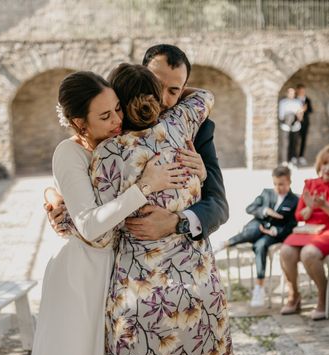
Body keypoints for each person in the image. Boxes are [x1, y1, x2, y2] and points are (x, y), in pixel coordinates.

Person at [0, 71, 189, 355]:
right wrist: (144, 186)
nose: (117, 119)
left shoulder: (120, 145)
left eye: (117, 109)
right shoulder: (70, 153)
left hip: (113, 278)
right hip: (79, 279)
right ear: (79, 123)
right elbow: (88, 224)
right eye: (105, 116)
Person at [91, 63, 244, 355]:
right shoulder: (180, 124)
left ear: (116, 104)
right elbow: (204, 96)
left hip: (142, 298)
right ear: (156, 98)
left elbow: (98, 229)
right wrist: (168, 100)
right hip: (199, 289)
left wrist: (60, 211)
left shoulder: (107, 153)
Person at [48, 44, 229, 244]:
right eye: (157, 85)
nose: (161, 99)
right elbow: (87, 211)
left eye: (174, 90)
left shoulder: (196, 128)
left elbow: (218, 205)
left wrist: (177, 222)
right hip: (116, 266)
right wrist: (55, 196)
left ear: (183, 90)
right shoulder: (108, 131)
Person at [280, 145, 329, 320]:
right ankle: (294, 295)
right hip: (310, 230)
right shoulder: (311, 184)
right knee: (286, 251)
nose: (328, 168)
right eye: (325, 164)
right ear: (319, 165)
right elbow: (298, 214)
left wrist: (325, 206)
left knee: (309, 254)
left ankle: (323, 297)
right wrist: (308, 209)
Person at [218, 166, 298, 307]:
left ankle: (259, 287)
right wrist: (265, 211)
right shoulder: (266, 193)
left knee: (260, 245)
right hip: (258, 226)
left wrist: (274, 231)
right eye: (275, 184)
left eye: (281, 184)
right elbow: (250, 208)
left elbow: (292, 225)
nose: (278, 188)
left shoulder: (295, 200)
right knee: (255, 231)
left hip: (274, 234)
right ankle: (226, 243)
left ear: (289, 182)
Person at [279, 87, 303, 166]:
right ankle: (285, 160)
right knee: (286, 143)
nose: (291, 94)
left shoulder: (298, 102)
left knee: (294, 143)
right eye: (290, 93)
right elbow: (281, 116)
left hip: (295, 125)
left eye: (293, 93)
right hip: (286, 125)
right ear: (287, 93)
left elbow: (300, 114)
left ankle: (293, 159)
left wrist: (297, 117)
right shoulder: (283, 102)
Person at [296, 84, 313, 163]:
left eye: (303, 91)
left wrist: (305, 110)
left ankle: (301, 156)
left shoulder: (307, 100)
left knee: (303, 139)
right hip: (295, 122)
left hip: (305, 122)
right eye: (301, 90)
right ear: (298, 91)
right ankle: (294, 157)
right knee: (295, 140)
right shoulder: (295, 99)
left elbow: (311, 110)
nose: (302, 92)